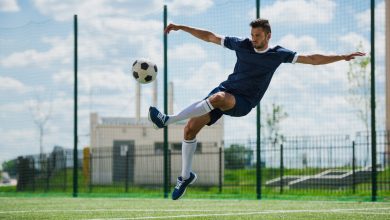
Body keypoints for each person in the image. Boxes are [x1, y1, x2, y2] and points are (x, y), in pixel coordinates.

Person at [148, 19, 365, 200]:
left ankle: (167, 120)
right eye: (252, 35)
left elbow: (312, 59)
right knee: (189, 130)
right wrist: (181, 27)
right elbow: (210, 36)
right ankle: (185, 176)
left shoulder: (278, 54)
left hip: (242, 102)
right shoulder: (242, 45)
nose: (253, 39)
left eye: (258, 36)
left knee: (218, 98)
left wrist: (341, 57)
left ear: (268, 36)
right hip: (224, 92)